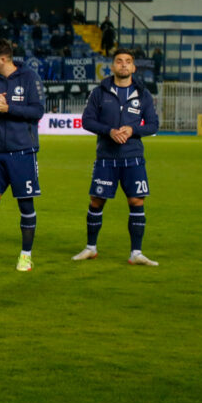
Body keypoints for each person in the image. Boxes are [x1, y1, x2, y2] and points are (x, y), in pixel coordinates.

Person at [74, 49, 160, 266]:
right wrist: (110, 131)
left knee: (136, 201)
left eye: (128, 62)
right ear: (112, 66)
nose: (123, 65)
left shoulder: (143, 94)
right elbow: (87, 121)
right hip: (106, 156)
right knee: (96, 200)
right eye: (119, 61)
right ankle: (90, 248)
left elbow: (153, 125)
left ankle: (136, 253)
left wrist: (132, 130)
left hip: (133, 157)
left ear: (133, 68)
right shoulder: (99, 92)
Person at [0, 39, 45, 272]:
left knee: (25, 204)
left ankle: (25, 256)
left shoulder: (29, 78)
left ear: (3, 59)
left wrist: (9, 109)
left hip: (23, 151)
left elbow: (37, 111)